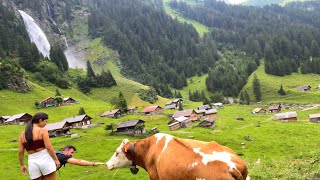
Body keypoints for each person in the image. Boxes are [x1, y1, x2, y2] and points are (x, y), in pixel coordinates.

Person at [18, 112, 60, 180]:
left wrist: (22, 165)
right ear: (40, 120)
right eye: (45, 121)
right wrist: (56, 159)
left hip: (32, 161)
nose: (46, 124)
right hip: (45, 159)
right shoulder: (42, 130)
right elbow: (48, 147)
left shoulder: (22, 134)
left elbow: (20, 152)